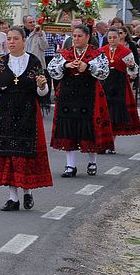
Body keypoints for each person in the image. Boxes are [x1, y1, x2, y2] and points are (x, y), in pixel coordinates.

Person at [0, 27, 52, 211]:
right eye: (9, 39)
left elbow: (42, 92)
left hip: (28, 111)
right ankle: (13, 198)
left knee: (25, 152)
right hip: (6, 111)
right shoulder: (1, 63)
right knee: (9, 153)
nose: (11, 42)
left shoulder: (34, 61)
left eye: (15, 39)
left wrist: (42, 86)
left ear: (24, 41)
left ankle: (27, 192)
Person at [48, 24, 113, 177]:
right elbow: (52, 69)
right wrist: (66, 65)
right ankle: (70, 166)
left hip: (89, 94)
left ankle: (92, 162)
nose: (76, 39)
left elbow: (104, 72)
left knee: (89, 127)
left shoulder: (96, 53)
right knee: (68, 127)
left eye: (79, 36)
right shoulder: (65, 53)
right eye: (74, 36)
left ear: (88, 37)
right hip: (68, 95)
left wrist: (88, 66)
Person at [100, 27, 140, 152]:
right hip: (105, 83)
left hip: (119, 85)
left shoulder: (126, 51)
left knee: (114, 116)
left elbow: (133, 71)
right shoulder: (102, 51)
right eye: (110, 38)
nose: (112, 40)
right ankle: (104, 142)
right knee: (104, 114)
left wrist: (131, 66)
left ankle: (111, 143)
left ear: (119, 37)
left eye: (114, 37)